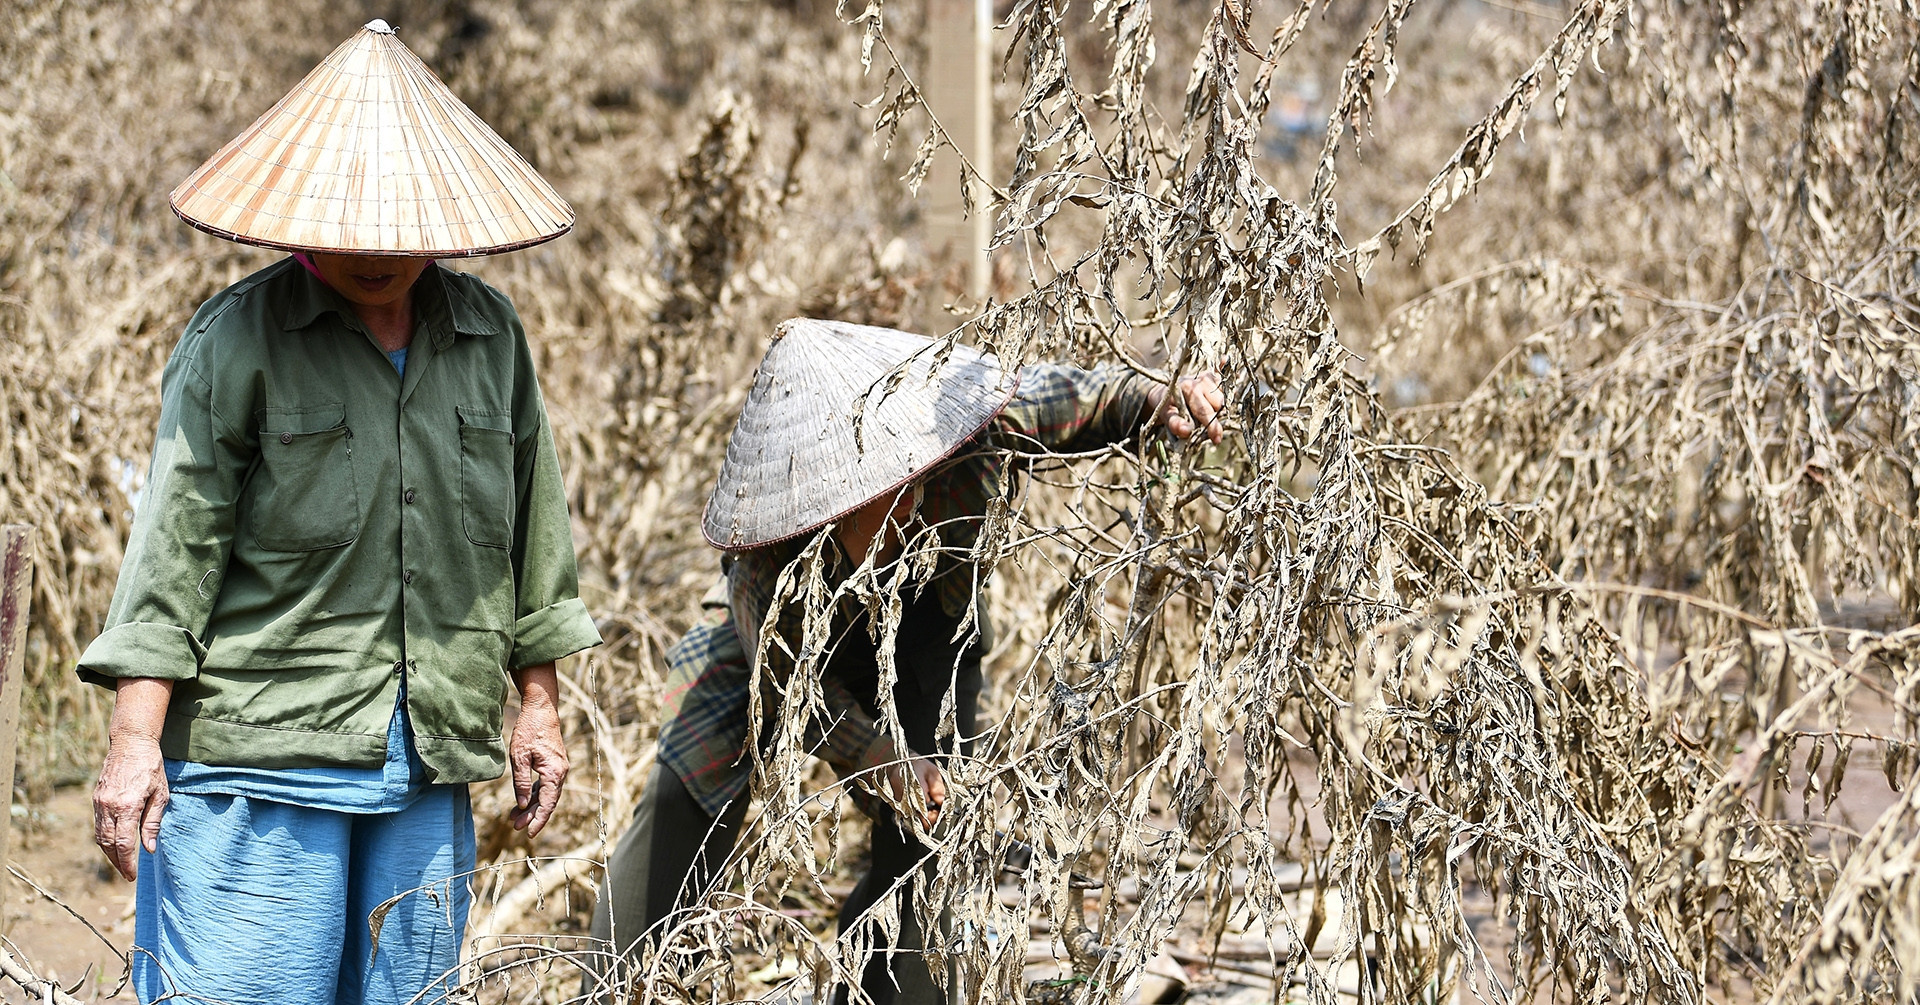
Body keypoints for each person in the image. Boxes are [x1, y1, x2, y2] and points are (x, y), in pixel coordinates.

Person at [77, 21, 601, 1005]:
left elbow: (535, 537)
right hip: (258, 761)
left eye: (399, 226)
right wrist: (134, 740)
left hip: (428, 755)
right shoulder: (239, 342)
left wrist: (540, 705)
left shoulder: (488, 338)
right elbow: (173, 553)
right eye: (352, 223)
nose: (375, 252)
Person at [586, 318, 1225, 1003]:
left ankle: (888, 990)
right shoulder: (761, 549)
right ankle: (625, 984)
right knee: (683, 791)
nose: (880, 518)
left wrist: (1156, 397)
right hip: (784, 650)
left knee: (926, 833)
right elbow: (785, 679)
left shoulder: (970, 425)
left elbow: (1085, 398)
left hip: (926, 637)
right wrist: (871, 754)